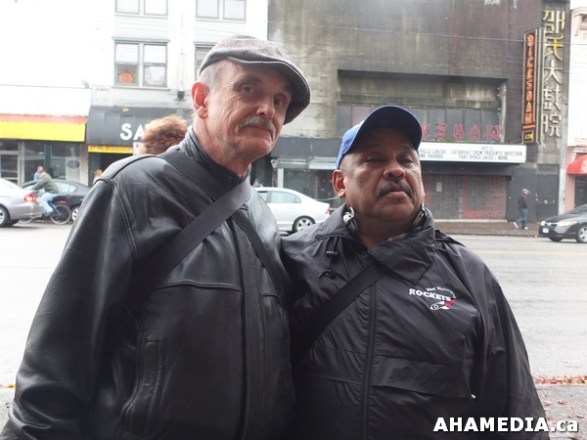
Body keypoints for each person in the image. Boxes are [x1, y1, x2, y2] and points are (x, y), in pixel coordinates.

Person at [1, 34, 310, 440]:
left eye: (280, 100)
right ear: (201, 99)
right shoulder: (130, 190)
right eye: (249, 89)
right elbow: (54, 365)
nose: (267, 109)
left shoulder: (263, 217)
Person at [281, 106, 548, 439]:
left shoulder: (469, 275)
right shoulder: (293, 259)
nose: (396, 170)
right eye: (374, 159)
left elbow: (516, 410)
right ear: (340, 183)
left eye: (407, 160)